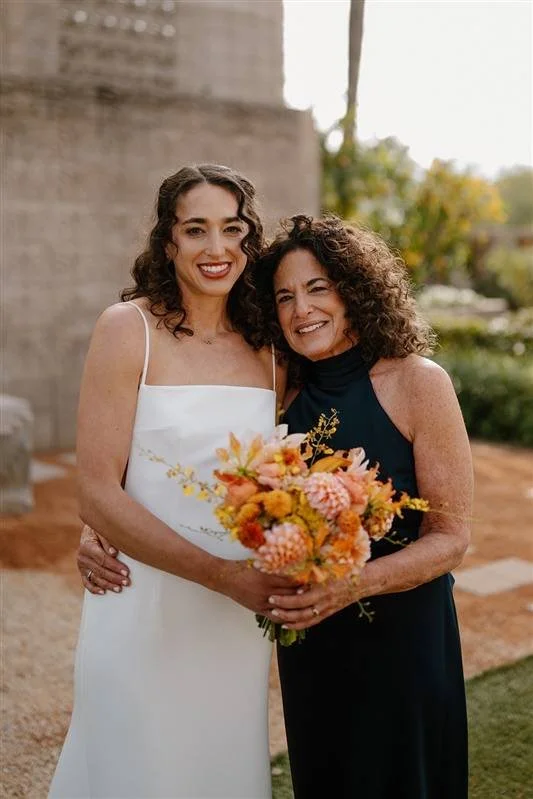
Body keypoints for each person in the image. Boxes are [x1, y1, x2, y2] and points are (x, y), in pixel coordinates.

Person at [78, 214, 473, 799]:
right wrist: (100, 526)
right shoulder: (279, 387)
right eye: (284, 296)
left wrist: (354, 584)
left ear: (355, 289)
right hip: (308, 642)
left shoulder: (418, 382)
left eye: (318, 288)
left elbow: (451, 537)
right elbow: (176, 451)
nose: (301, 309)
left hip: (402, 640)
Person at [49, 164, 297, 799]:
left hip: (236, 616)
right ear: (169, 242)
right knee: (134, 761)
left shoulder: (272, 349)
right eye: (196, 230)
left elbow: (288, 469)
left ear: (250, 238)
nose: (217, 250)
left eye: (232, 229)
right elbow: (97, 489)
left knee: (219, 761)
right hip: (141, 594)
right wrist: (97, 527)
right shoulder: (126, 328)